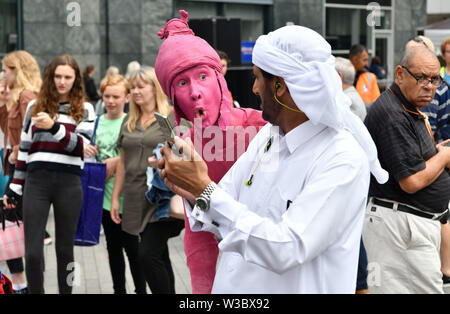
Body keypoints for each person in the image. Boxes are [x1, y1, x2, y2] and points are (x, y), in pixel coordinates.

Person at [157, 24, 388, 294]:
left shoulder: (341, 157)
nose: (253, 89)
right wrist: (189, 187)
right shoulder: (269, 136)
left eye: (257, 78)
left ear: (280, 86)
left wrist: (203, 189)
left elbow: (287, 247)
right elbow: (224, 205)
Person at [154, 10, 267, 294]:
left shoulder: (262, 125)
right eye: (182, 83)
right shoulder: (184, 146)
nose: (194, 92)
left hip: (264, 248)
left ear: (220, 80)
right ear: (174, 99)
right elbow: (199, 229)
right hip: (206, 242)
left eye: (202, 76)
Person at [3, 55, 96, 294]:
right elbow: (24, 149)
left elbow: (81, 147)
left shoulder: (85, 109)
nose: (62, 82)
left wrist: (54, 127)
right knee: (33, 252)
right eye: (57, 76)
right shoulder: (35, 107)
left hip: (69, 183)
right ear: (50, 77)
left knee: (65, 251)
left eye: (67, 77)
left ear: (76, 79)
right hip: (37, 181)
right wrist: (14, 187)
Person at [363, 46, 450, 294]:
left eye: (435, 79)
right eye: (421, 77)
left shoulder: (407, 107)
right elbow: (411, 181)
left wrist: (437, 153)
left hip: (409, 225)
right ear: (400, 74)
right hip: (401, 227)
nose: (429, 86)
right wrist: (443, 157)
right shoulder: (394, 114)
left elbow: (415, 159)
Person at [110, 66, 184, 294]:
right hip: (134, 196)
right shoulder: (129, 120)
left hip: (161, 195)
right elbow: (122, 163)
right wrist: (115, 199)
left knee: (147, 255)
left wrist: (162, 159)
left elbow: (185, 153)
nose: (136, 91)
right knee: (159, 254)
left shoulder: (170, 117)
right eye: (133, 87)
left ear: (154, 88)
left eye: (141, 86)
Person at [84, 74, 147, 294]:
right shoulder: (97, 122)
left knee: (133, 248)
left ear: (127, 97)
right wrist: (88, 150)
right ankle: (118, 289)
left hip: (128, 197)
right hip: (102, 196)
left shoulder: (132, 122)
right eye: (107, 96)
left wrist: (117, 160)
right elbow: (86, 152)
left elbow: (141, 155)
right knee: (112, 249)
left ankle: (141, 289)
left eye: (116, 97)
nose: (110, 101)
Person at [407, 36, 450, 288]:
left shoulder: (443, 88)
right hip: (413, 151)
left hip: (434, 152)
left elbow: (445, 124)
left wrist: (443, 156)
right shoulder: (400, 90)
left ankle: (444, 267)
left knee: (442, 213)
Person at [0, 50, 42, 294]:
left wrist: (18, 149)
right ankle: (22, 284)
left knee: (14, 225)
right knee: (13, 224)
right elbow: (8, 129)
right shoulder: (16, 96)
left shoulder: (27, 96)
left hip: (23, 170)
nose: (4, 74)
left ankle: (24, 285)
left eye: (7, 69)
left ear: (18, 70)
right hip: (16, 168)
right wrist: (5, 102)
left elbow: (32, 134)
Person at [350, 44, 381, 108]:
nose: (366, 63)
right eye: (364, 60)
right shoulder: (342, 76)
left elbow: (377, 103)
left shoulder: (370, 77)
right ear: (355, 59)